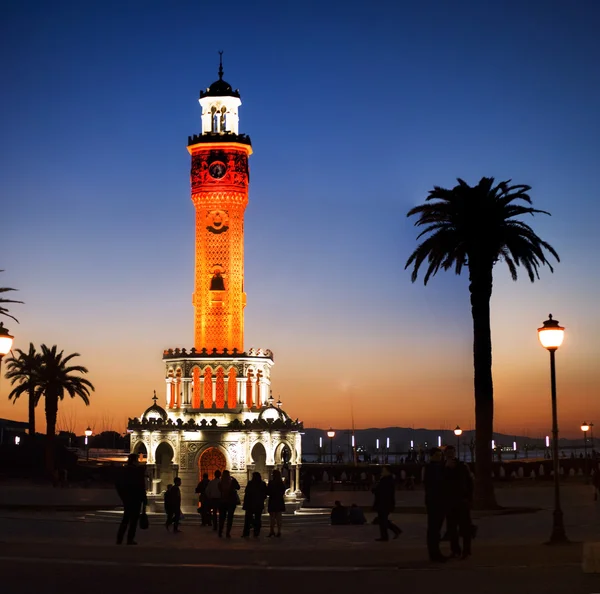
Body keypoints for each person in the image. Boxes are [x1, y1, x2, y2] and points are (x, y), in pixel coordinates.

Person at [443, 444, 473, 559]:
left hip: (461, 501)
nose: (450, 455)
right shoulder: (443, 467)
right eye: (448, 453)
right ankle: (455, 550)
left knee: (465, 527)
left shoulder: (462, 466)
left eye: (452, 452)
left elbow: (469, 483)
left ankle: (466, 550)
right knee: (452, 528)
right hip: (450, 502)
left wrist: (469, 498)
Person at [115, 453, 147, 545]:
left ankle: (119, 539)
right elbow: (141, 486)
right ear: (134, 461)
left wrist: (123, 496)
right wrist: (144, 500)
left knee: (125, 519)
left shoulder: (123, 471)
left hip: (127, 499)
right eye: (137, 460)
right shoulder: (137, 471)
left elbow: (118, 484)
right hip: (136, 499)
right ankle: (130, 539)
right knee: (133, 521)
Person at [423, 447, 446, 562]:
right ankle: (434, 553)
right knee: (434, 528)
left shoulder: (433, 468)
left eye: (440, 455)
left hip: (436, 501)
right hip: (435, 501)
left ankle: (435, 552)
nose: (439, 457)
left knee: (435, 529)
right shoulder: (434, 468)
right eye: (437, 455)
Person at [372, 465, 401, 541]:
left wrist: (375, 490)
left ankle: (386, 535)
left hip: (384, 503)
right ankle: (394, 531)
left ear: (388, 471)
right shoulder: (387, 480)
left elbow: (382, 492)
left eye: (384, 470)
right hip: (385, 503)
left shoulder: (386, 480)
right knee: (383, 519)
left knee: (382, 520)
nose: (382, 472)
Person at [242, 471, 267, 538]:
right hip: (258, 504)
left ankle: (246, 533)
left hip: (250, 503)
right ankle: (256, 532)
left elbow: (247, 493)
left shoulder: (250, 483)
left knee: (248, 519)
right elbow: (265, 494)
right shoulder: (262, 484)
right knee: (257, 518)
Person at [218, 469, 240, 538]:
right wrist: (234, 479)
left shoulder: (220, 483)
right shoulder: (232, 482)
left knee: (222, 518)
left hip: (222, 502)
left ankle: (220, 532)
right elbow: (238, 487)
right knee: (230, 518)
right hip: (231, 502)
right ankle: (227, 533)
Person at [267, 469, 286, 537]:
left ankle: (272, 531)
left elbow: (268, 492)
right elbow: (283, 491)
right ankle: (279, 531)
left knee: (272, 517)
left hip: (272, 500)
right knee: (279, 517)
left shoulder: (271, 482)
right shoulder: (281, 483)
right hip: (279, 500)